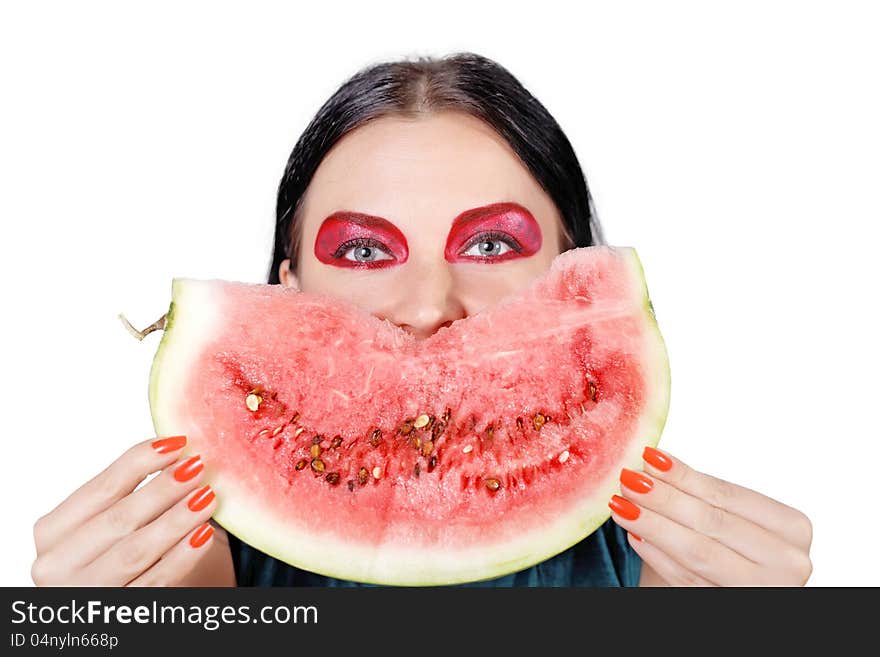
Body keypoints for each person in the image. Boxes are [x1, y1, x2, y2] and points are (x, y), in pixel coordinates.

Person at [31, 52, 812, 587]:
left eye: (492, 240)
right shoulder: (182, 567)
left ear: (574, 270)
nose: (429, 304)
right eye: (365, 250)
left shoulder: (669, 572)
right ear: (286, 291)